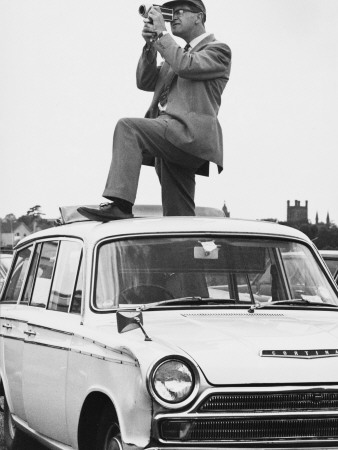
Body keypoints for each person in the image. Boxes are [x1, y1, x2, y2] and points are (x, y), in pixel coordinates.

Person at [78, 0, 231, 221]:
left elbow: (185, 65)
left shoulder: (218, 50)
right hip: (172, 140)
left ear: (198, 17)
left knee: (128, 128)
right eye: (171, 13)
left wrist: (161, 34)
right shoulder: (177, 54)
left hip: (187, 135)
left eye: (180, 12)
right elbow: (145, 80)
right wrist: (150, 45)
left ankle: (121, 204)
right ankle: (184, 249)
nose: (173, 18)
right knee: (179, 217)